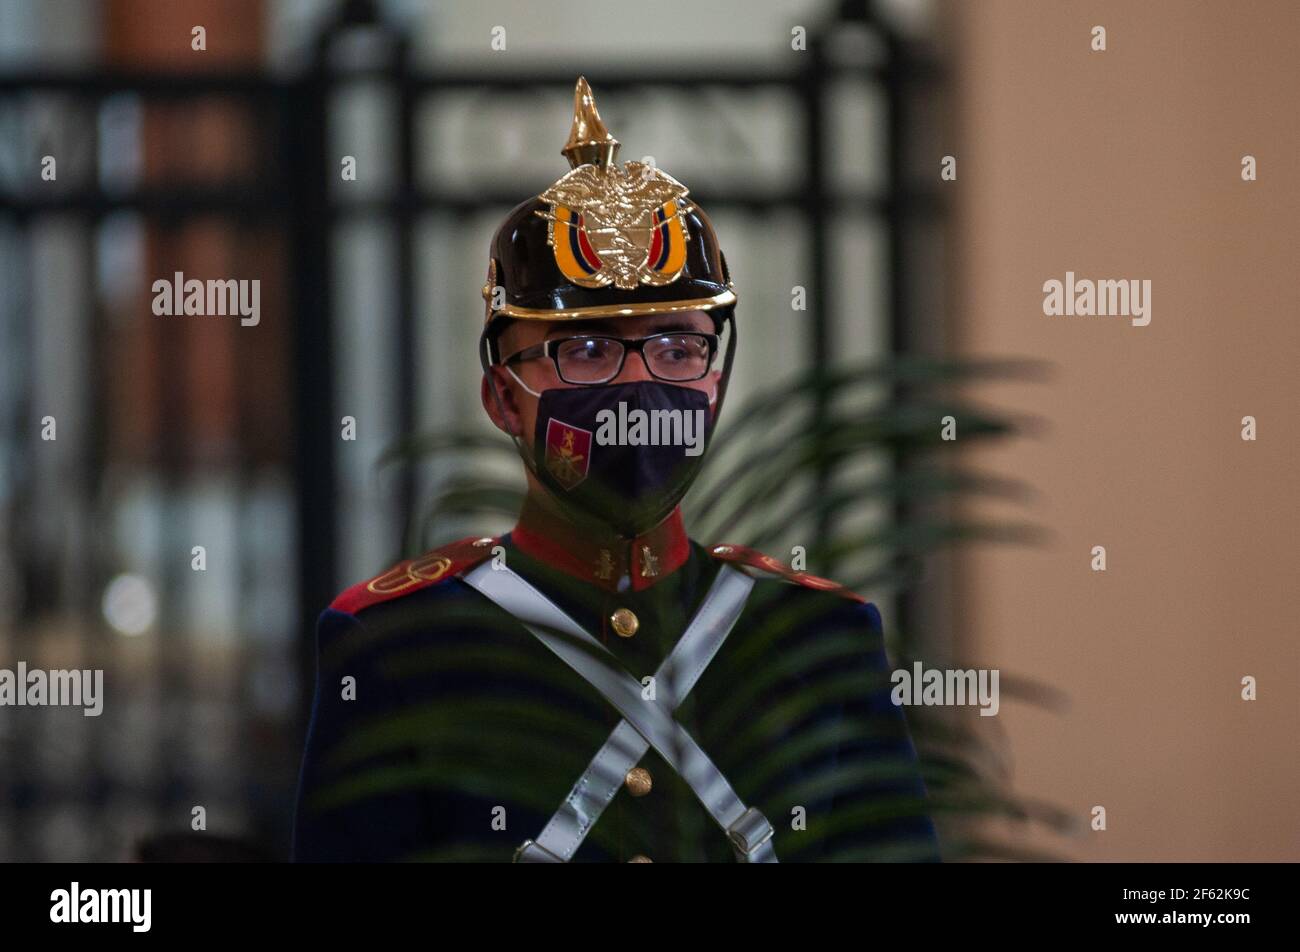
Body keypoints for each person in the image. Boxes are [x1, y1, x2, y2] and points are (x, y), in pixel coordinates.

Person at [292, 77, 940, 863]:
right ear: (503, 395)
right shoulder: (395, 645)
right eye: (588, 348)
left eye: (676, 346)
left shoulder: (820, 638)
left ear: (715, 377)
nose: (639, 385)